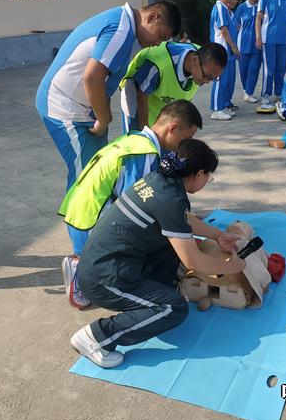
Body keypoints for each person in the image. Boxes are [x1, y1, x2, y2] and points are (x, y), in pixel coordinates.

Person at [71, 139, 246, 368]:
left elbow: (182, 221)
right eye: (208, 177)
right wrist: (232, 267)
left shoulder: (160, 180)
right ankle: (97, 337)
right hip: (104, 279)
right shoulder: (171, 199)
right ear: (199, 174)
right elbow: (193, 260)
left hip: (106, 262)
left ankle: (154, 295)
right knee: (173, 308)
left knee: (174, 241)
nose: (207, 181)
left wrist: (218, 235)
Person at [58, 100, 203, 309]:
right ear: (173, 128)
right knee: (162, 230)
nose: (186, 145)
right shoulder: (145, 153)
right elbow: (136, 206)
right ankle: (81, 269)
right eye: (187, 138)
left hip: (79, 216)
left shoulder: (135, 139)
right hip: (90, 227)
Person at [35, 0, 182, 191]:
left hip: (84, 109)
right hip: (64, 107)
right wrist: (104, 119)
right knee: (86, 182)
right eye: (160, 36)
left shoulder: (124, 26)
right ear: (152, 17)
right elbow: (92, 78)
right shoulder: (121, 28)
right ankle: (77, 212)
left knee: (100, 172)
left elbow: (104, 79)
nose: (157, 44)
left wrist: (102, 116)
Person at [119, 41, 227, 132]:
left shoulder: (202, 60)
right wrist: (145, 132)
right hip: (136, 91)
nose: (207, 81)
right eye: (207, 76)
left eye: (213, 78)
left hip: (162, 96)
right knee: (137, 139)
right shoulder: (160, 65)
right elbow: (141, 96)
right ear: (195, 60)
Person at [209, 0, 240, 121]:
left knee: (228, 81)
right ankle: (216, 109)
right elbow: (224, 30)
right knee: (220, 80)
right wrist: (233, 47)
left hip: (229, 52)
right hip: (221, 50)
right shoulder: (219, 8)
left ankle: (223, 105)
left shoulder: (227, 10)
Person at [234, 0, 263, 103]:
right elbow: (236, 26)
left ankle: (249, 93)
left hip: (258, 45)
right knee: (243, 71)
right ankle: (246, 91)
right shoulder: (241, 8)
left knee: (254, 70)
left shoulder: (262, 6)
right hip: (243, 44)